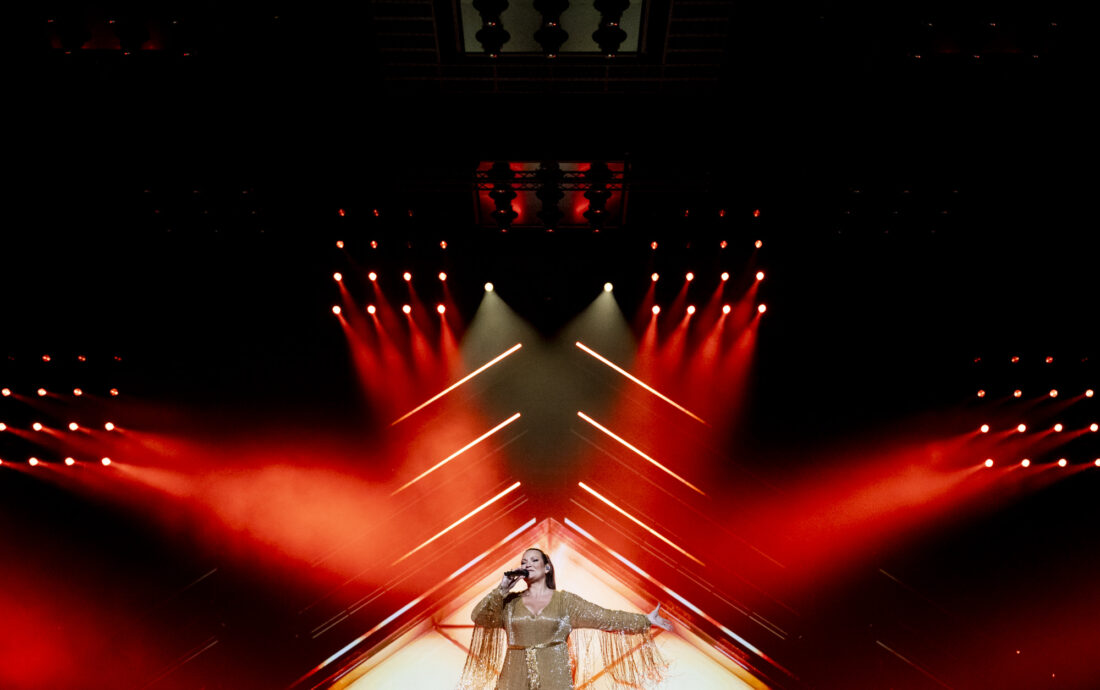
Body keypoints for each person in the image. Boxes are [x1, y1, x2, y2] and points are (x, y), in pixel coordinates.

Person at [458, 548, 671, 690]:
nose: (527, 564)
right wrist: (502, 589)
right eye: (523, 561)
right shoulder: (510, 603)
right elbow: (478, 616)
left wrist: (645, 620)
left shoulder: (565, 602)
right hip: (513, 678)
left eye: (534, 560)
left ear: (547, 567)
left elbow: (604, 617)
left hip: (554, 678)